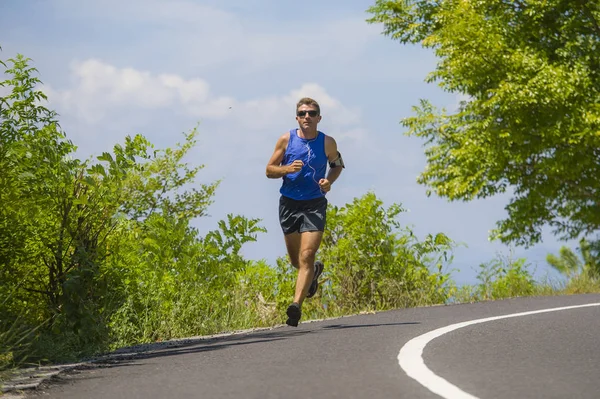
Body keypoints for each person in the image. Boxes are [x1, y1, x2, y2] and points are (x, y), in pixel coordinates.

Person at [265, 97, 345, 327]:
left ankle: (296, 306)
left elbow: (337, 164)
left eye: (311, 113)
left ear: (319, 117)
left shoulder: (327, 142)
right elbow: (269, 170)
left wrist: (329, 182)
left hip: (314, 204)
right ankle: (314, 272)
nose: (307, 117)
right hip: (289, 203)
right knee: (296, 261)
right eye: (302, 113)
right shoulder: (286, 139)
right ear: (297, 118)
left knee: (306, 255)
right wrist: (287, 169)